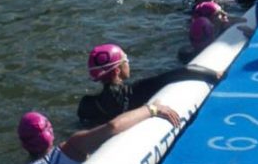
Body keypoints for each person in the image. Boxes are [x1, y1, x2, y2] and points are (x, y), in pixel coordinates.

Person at [18, 101, 180, 164]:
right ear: (51, 132)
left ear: (24, 144)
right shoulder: (71, 147)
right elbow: (113, 126)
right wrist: (152, 109)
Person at [77, 43, 218, 126]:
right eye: (125, 59)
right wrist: (216, 74)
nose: (128, 63)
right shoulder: (136, 91)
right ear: (117, 70)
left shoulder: (86, 105)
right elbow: (183, 71)